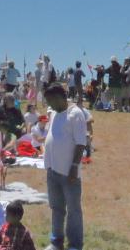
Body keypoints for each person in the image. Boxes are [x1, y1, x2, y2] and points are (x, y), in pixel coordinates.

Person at [43, 82, 87, 250]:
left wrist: (74, 166)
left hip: (69, 172)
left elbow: (81, 143)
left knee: (73, 210)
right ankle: (56, 241)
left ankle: (75, 245)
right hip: (52, 170)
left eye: (50, 100)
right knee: (56, 208)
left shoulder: (75, 114)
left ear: (60, 97)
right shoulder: (54, 113)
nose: (49, 104)